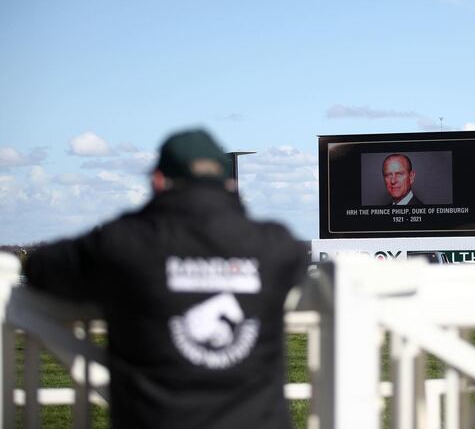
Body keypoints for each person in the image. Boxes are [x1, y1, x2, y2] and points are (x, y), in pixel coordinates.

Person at [24, 129, 307, 429]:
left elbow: (41, 268)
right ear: (230, 184)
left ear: (157, 181)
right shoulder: (276, 246)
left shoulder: (123, 243)